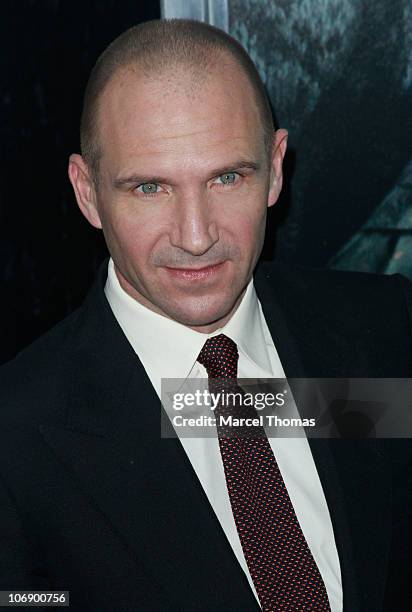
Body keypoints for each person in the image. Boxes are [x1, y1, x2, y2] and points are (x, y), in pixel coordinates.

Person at [0, 19, 411, 612]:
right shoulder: (14, 439)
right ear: (87, 192)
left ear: (274, 167)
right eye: (149, 188)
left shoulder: (382, 331)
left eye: (227, 176)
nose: (196, 237)